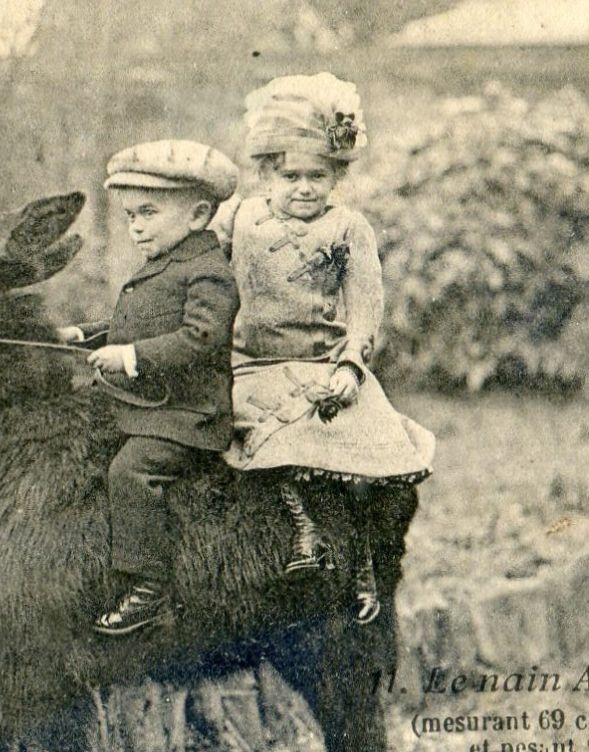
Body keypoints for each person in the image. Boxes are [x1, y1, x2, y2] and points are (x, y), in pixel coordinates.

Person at [213, 73, 434, 623]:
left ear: (336, 176)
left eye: (319, 176)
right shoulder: (238, 219)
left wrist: (350, 367)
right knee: (258, 438)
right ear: (266, 172)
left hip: (321, 363)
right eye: (291, 176)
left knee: (359, 452)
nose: (305, 188)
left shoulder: (347, 229)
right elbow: (197, 281)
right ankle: (301, 533)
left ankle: (360, 563)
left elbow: (364, 306)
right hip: (252, 364)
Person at [58, 140, 242, 636]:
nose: (135, 226)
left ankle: (147, 587)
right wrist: (85, 334)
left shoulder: (208, 273)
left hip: (184, 416)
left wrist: (132, 358)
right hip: (145, 404)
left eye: (147, 213)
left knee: (130, 471)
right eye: (129, 215)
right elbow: (133, 322)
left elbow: (199, 339)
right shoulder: (164, 261)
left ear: (199, 213)